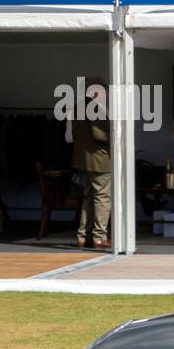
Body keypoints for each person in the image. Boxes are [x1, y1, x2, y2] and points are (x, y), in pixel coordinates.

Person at [73, 78, 112, 249]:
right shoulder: (95, 107)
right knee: (103, 197)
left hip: (83, 160)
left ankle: (83, 236)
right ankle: (99, 237)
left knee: (88, 198)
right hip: (100, 160)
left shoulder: (77, 106)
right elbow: (99, 134)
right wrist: (117, 138)